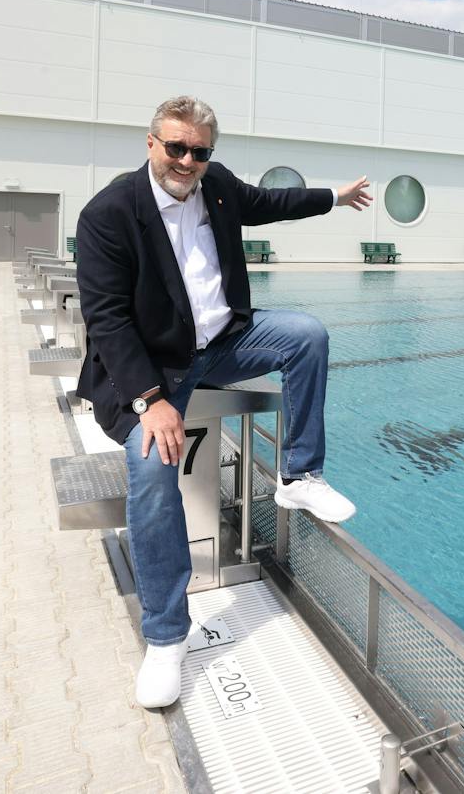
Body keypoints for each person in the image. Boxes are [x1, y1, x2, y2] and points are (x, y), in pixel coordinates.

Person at [74, 95, 372, 709]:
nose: (187, 160)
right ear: (151, 142)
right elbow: (106, 319)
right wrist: (150, 401)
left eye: (200, 151)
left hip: (220, 344)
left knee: (307, 335)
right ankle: (165, 636)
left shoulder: (215, 187)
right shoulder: (109, 214)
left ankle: (300, 474)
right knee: (154, 471)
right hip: (152, 371)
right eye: (176, 147)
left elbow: (272, 203)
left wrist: (335, 197)